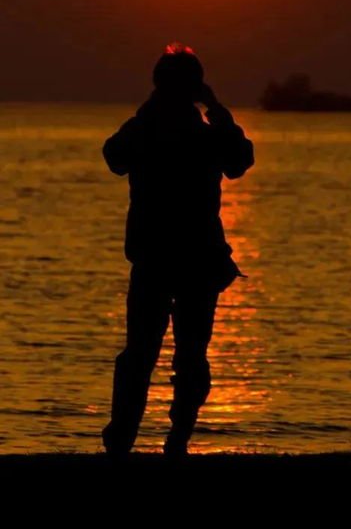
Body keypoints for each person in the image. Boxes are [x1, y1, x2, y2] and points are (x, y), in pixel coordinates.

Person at [101, 42, 255, 458]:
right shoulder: (203, 136)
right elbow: (240, 160)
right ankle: (175, 441)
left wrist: (153, 112)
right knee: (187, 356)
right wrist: (217, 109)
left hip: (160, 261)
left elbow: (114, 156)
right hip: (193, 261)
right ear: (197, 88)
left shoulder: (146, 130)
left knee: (143, 355)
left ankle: (124, 442)